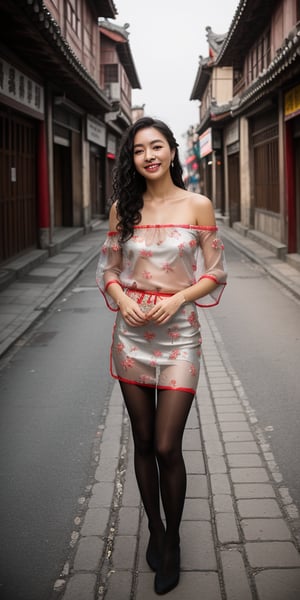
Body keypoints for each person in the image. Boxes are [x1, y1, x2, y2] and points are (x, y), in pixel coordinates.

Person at [96, 116, 227, 595]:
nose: (148, 155)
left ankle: (172, 542)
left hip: (179, 339)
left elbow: (215, 271)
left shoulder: (197, 205)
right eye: (138, 150)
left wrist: (180, 298)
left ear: (172, 150)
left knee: (169, 446)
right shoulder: (122, 210)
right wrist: (124, 298)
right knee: (145, 442)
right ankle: (154, 526)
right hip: (131, 338)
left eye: (156, 146)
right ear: (131, 160)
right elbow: (108, 268)